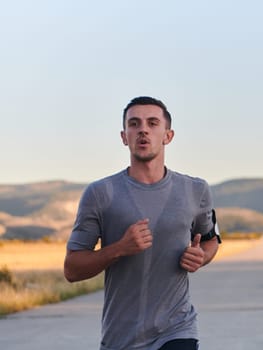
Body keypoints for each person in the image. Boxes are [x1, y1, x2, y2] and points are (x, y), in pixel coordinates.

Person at [64, 96, 221, 350]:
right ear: (124, 136)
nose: (143, 130)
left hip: (177, 329)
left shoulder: (196, 190)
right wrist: (119, 248)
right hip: (121, 337)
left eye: (152, 123)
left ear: (168, 136)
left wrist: (201, 256)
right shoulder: (100, 194)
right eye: (134, 124)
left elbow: (211, 240)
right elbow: (72, 269)